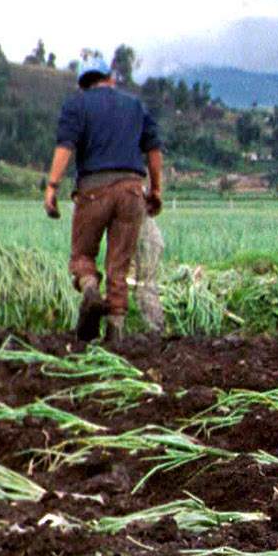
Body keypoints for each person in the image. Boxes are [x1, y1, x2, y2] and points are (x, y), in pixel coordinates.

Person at [43, 51, 166, 340]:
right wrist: (156, 190)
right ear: (110, 79)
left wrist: (52, 187)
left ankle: (88, 288)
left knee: (83, 255)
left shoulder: (77, 105)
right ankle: (115, 333)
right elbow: (154, 150)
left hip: (93, 191)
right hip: (132, 190)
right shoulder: (135, 105)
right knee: (119, 265)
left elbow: (65, 146)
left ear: (83, 84)